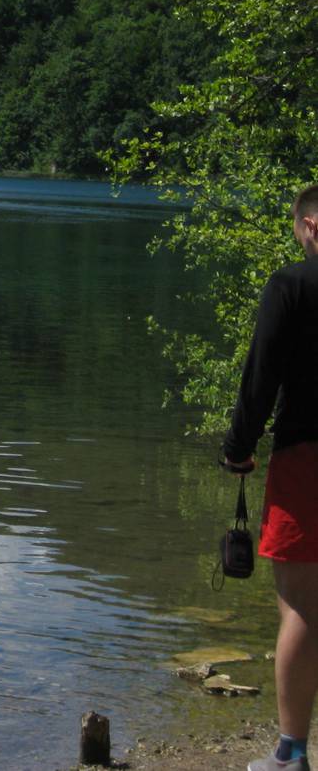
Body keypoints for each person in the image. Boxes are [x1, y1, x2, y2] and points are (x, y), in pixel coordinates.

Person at [223, 184, 318, 771]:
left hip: (307, 457)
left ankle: (292, 754)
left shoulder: (292, 286)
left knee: (302, 606)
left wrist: (238, 449)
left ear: (309, 226)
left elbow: (260, 377)